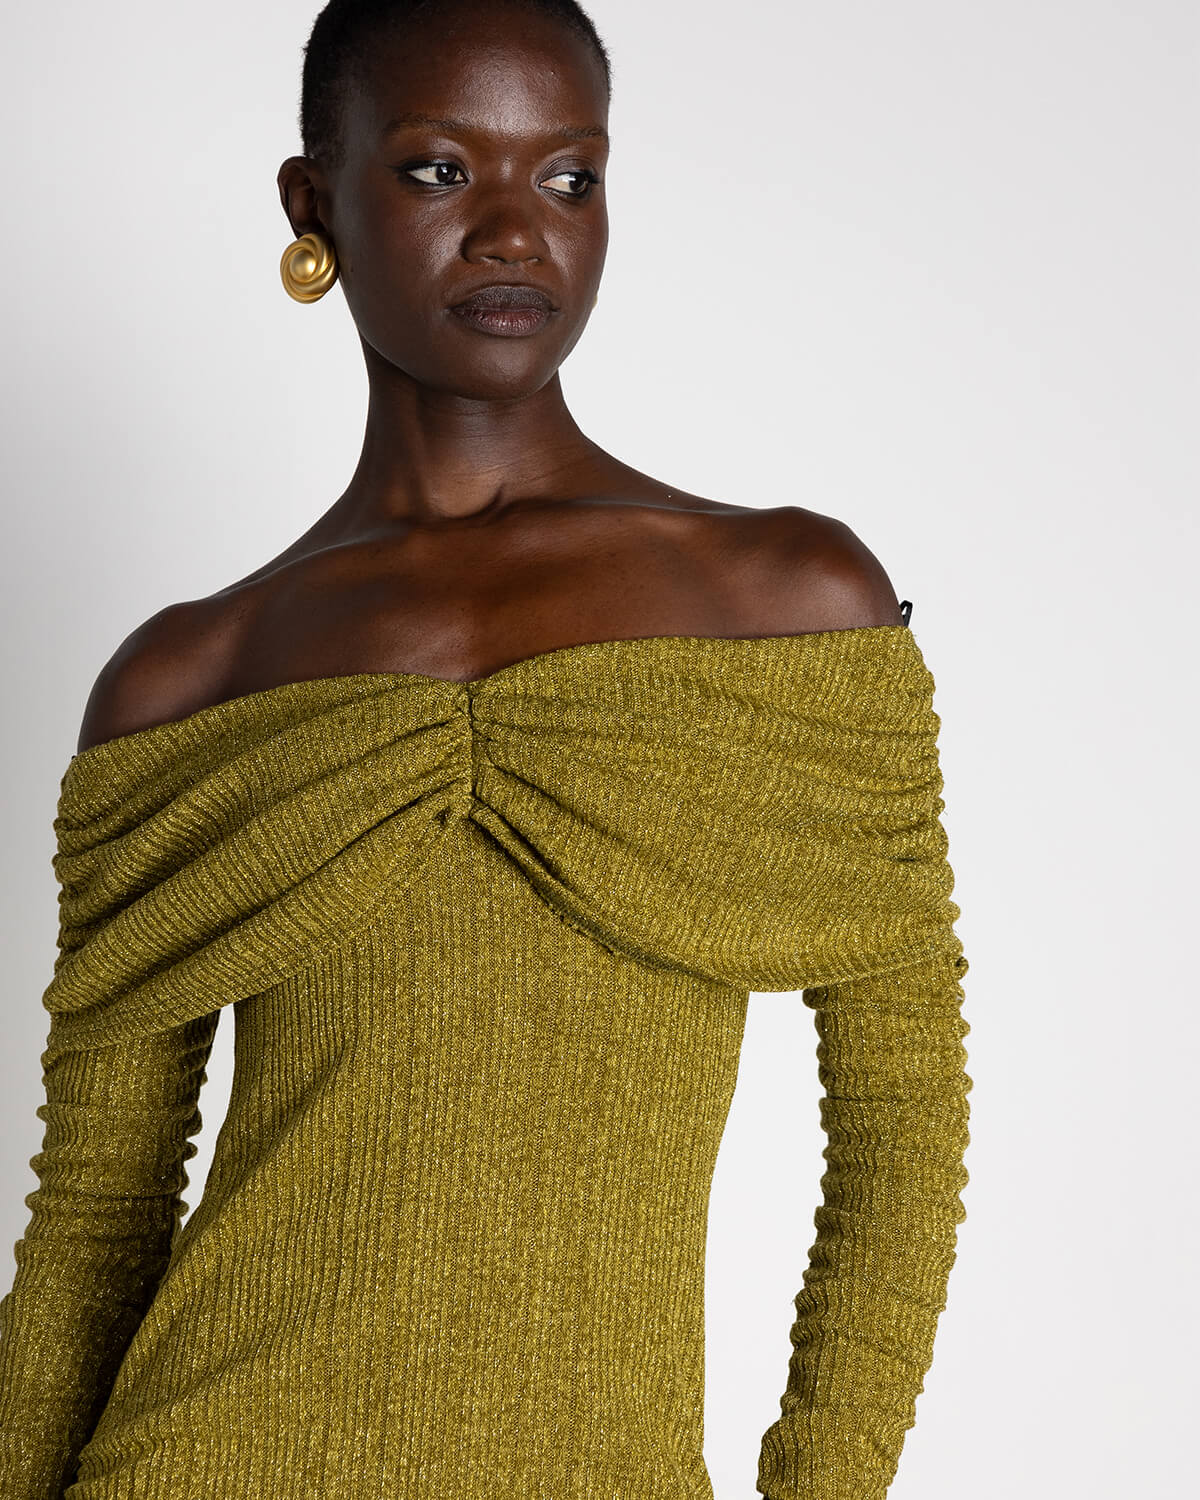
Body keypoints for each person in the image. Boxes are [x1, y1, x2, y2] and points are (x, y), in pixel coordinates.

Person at [0, 1, 970, 1497]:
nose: (518, 231)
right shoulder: (188, 679)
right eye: (442, 170)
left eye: (569, 177)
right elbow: (94, 1223)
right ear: (314, 204)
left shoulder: (785, 601)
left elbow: (903, 1124)